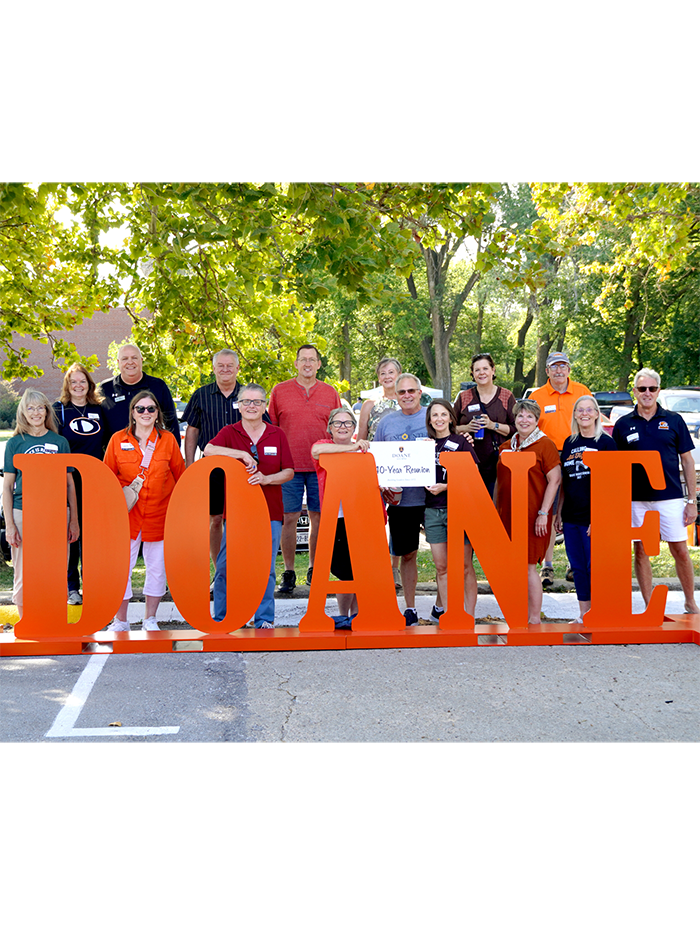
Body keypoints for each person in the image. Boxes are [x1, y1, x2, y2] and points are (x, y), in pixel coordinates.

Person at [205, 384, 294, 628]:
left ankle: (263, 618)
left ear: (265, 406)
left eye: (257, 402)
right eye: (246, 402)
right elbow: (208, 450)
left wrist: (267, 479)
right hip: (236, 513)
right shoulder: (229, 431)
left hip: (270, 511)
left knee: (265, 568)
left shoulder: (277, 434)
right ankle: (223, 617)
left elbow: (288, 471)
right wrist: (241, 455)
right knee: (225, 566)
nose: (251, 406)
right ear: (239, 406)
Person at [612, 367, 699, 614]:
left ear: (658, 390)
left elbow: (688, 461)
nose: (647, 393)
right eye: (642, 389)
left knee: (680, 550)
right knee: (640, 550)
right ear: (635, 392)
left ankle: (690, 602)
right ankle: (650, 607)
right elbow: (615, 466)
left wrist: (691, 501)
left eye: (652, 388)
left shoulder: (674, 420)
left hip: (669, 497)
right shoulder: (623, 424)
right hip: (635, 500)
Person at [103, 391, 185, 631]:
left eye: (151, 408)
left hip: (160, 514)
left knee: (157, 568)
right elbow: (107, 477)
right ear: (132, 413)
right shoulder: (117, 440)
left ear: (157, 413)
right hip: (126, 515)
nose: (146, 413)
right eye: (141, 409)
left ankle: (150, 619)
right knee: (121, 568)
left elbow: (180, 475)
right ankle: (121, 621)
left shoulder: (168, 439)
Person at [181, 349, 271, 570]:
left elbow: (266, 427)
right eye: (220, 365)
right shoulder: (200, 395)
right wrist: (189, 464)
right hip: (211, 467)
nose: (225, 369)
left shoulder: (250, 395)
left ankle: (242, 567)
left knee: (242, 519)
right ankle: (220, 571)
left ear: (238, 368)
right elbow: (192, 431)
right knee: (215, 519)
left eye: (230, 365)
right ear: (213, 368)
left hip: (244, 469)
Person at [268, 345, 341, 593]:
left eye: (312, 360)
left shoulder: (330, 393)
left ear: (319, 364)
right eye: (303, 360)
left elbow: (339, 429)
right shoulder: (279, 391)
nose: (308, 364)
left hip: (322, 466)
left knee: (318, 517)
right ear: (296, 363)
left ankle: (314, 568)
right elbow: (272, 430)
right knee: (288, 518)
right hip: (288, 467)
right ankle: (288, 571)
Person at [2, 390, 80, 620]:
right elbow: (7, 487)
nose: (36, 412)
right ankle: (27, 622)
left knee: (55, 569)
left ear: (46, 411)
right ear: (23, 413)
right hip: (22, 512)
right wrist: (9, 524)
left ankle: (52, 620)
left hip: (57, 513)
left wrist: (73, 519)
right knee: (23, 570)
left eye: (40, 408)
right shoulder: (15, 443)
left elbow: (69, 485)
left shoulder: (60, 442)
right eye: (30, 408)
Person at [528, 351, 591, 588]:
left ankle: (575, 565)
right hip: (549, 457)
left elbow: (593, 420)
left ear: (569, 370)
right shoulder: (537, 396)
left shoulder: (582, 392)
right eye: (554, 367)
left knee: (576, 508)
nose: (559, 370)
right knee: (551, 510)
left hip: (578, 455)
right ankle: (547, 564)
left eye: (563, 366)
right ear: (547, 371)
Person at [496, 398, 562, 624]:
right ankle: (517, 615)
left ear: (537, 420)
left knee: (527, 566)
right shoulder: (506, 447)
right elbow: (500, 483)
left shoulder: (545, 445)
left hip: (534, 515)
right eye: (520, 416)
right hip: (508, 515)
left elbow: (554, 481)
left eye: (530, 417)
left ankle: (534, 618)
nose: (524, 420)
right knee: (511, 568)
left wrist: (544, 513)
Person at [373, 372, 430, 626]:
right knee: (407, 555)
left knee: (445, 557)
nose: (406, 395)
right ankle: (410, 608)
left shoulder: (433, 415)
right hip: (401, 502)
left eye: (411, 391)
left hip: (433, 499)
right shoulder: (387, 423)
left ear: (419, 393)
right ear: (396, 396)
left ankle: (443, 606)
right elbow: (376, 461)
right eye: (401, 392)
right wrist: (383, 483)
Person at [554, 395, 616, 621]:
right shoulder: (569, 443)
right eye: (580, 410)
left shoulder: (606, 443)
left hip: (593, 518)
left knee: (594, 567)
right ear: (575, 415)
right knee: (578, 568)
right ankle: (583, 614)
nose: (585, 414)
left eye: (589, 410)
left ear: (597, 414)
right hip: (571, 516)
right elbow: (565, 481)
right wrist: (559, 512)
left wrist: (600, 517)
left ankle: (599, 612)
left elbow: (612, 484)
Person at [311, 408, 374, 629]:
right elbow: (316, 451)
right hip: (335, 517)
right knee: (343, 571)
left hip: (361, 517)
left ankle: (358, 615)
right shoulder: (325, 445)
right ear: (330, 427)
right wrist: (352, 447)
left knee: (360, 569)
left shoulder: (364, 449)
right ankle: (343, 615)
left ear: (354, 428)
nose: (343, 427)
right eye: (337, 423)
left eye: (348, 423)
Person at [53, 363, 108, 605]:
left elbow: (108, 443)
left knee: (93, 536)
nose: (78, 385)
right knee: (71, 533)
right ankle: (71, 587)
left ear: (89, 384)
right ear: (67, 385)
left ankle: (93, 584)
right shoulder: (59, 410)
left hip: (94, 480)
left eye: (82, 381)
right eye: (73, 381)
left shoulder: (99, 408)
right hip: (67, 482)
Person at [423, 399, 480, 624]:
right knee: (442, 566)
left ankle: (470, 614)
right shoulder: (424, 445)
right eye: (434, 415)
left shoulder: (461, 441)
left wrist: (447, 486)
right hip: (432, 511)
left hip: (459, 508)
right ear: (429, 420)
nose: (439, 419)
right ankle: (449, 615)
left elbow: (473, 475)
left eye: (443, 414)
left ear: (450, 417)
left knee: (465, 566)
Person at [356, 356, 403, 588]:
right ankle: (374, 564)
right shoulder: (369, 405)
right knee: (374, 518)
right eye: (383, 372)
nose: (387, 376)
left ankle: (394, 569)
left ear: (399, 374)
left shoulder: (410, 402)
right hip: (374, 467)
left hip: (402, 468)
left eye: (391, 372)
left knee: (398, 517)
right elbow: (361, 437)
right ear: (378, 377)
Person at [453, 352, 516, 497]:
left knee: (496, 505)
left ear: (493, 370)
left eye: (485, 368)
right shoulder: (464, 397)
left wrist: (492, 425)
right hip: (469, 461)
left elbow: (516, 428)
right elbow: (449, 427)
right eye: (477, 370)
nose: (482, 373)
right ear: (472, 374)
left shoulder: (506, 396)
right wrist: (466, 428)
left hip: (499, 461)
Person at [99, 343, 181, 443]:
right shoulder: (105, 389)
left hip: (152, 452)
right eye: (125, 359)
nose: (130, 362)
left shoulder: (158, 386)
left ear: (141, 361)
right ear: (118, 362)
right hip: (116, 453)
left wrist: (174, 451)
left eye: (134, 358)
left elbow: (171, 422)